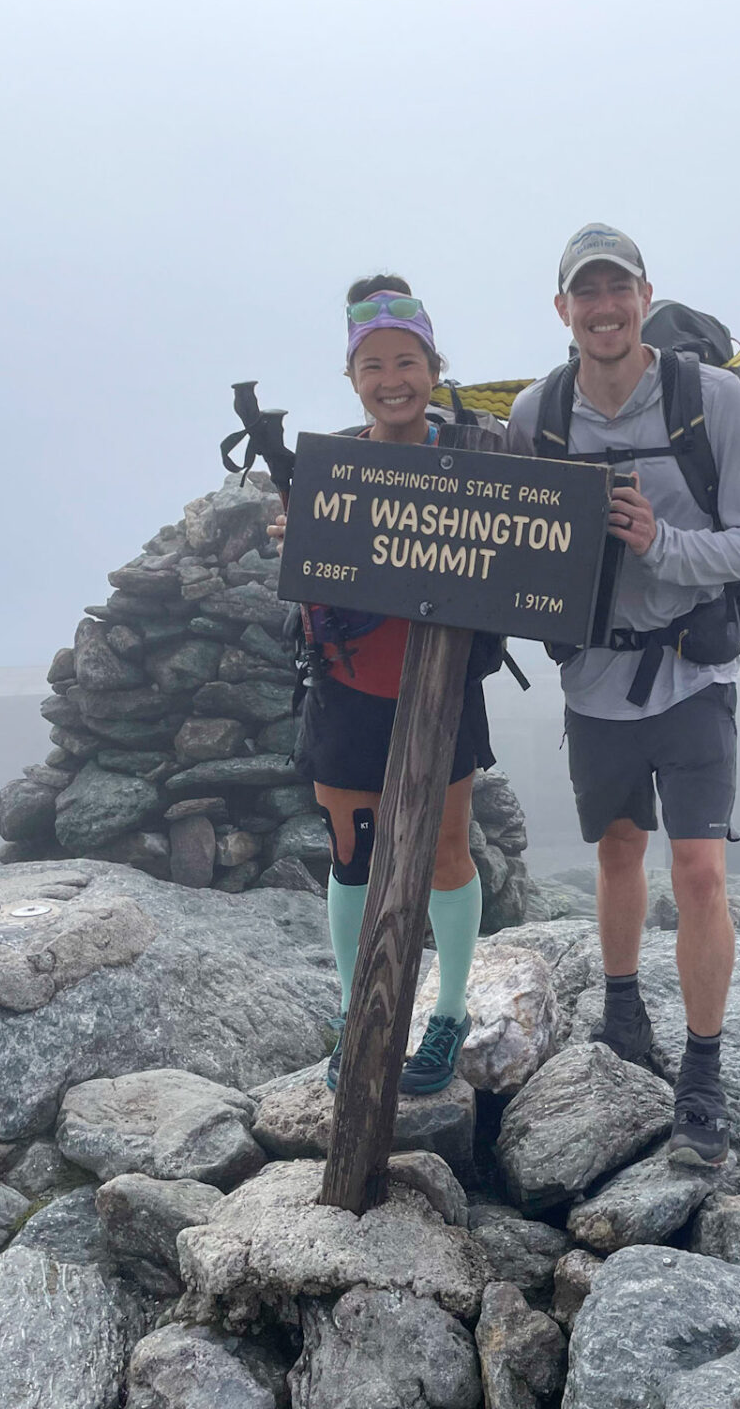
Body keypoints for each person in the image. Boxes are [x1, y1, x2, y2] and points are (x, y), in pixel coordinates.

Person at [506, 226, 740, 1167]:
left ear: (643, 293)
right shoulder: (538, 416)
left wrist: (659, 542)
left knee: (699, 870)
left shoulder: (709, 402)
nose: (604, 307)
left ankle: (702, 1078)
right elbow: (503, 542)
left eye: (617, 288)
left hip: (693, 672)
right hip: (593, 681)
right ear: (563, 311)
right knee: (620, 850)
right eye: (585, 293)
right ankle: (624, 1017)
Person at [269, 275, 494, 1096]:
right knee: (353, 855)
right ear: (352, 378)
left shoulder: (474, 457)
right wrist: (299, 536)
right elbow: (312, 586)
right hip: (348, 690)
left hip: (443, 689)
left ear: (433, 366)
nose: (392, 379)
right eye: (374, 365)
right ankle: (352, 1011)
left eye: (407, 360)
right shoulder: (328, 470)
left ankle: (450, 1012)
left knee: (443, 849)